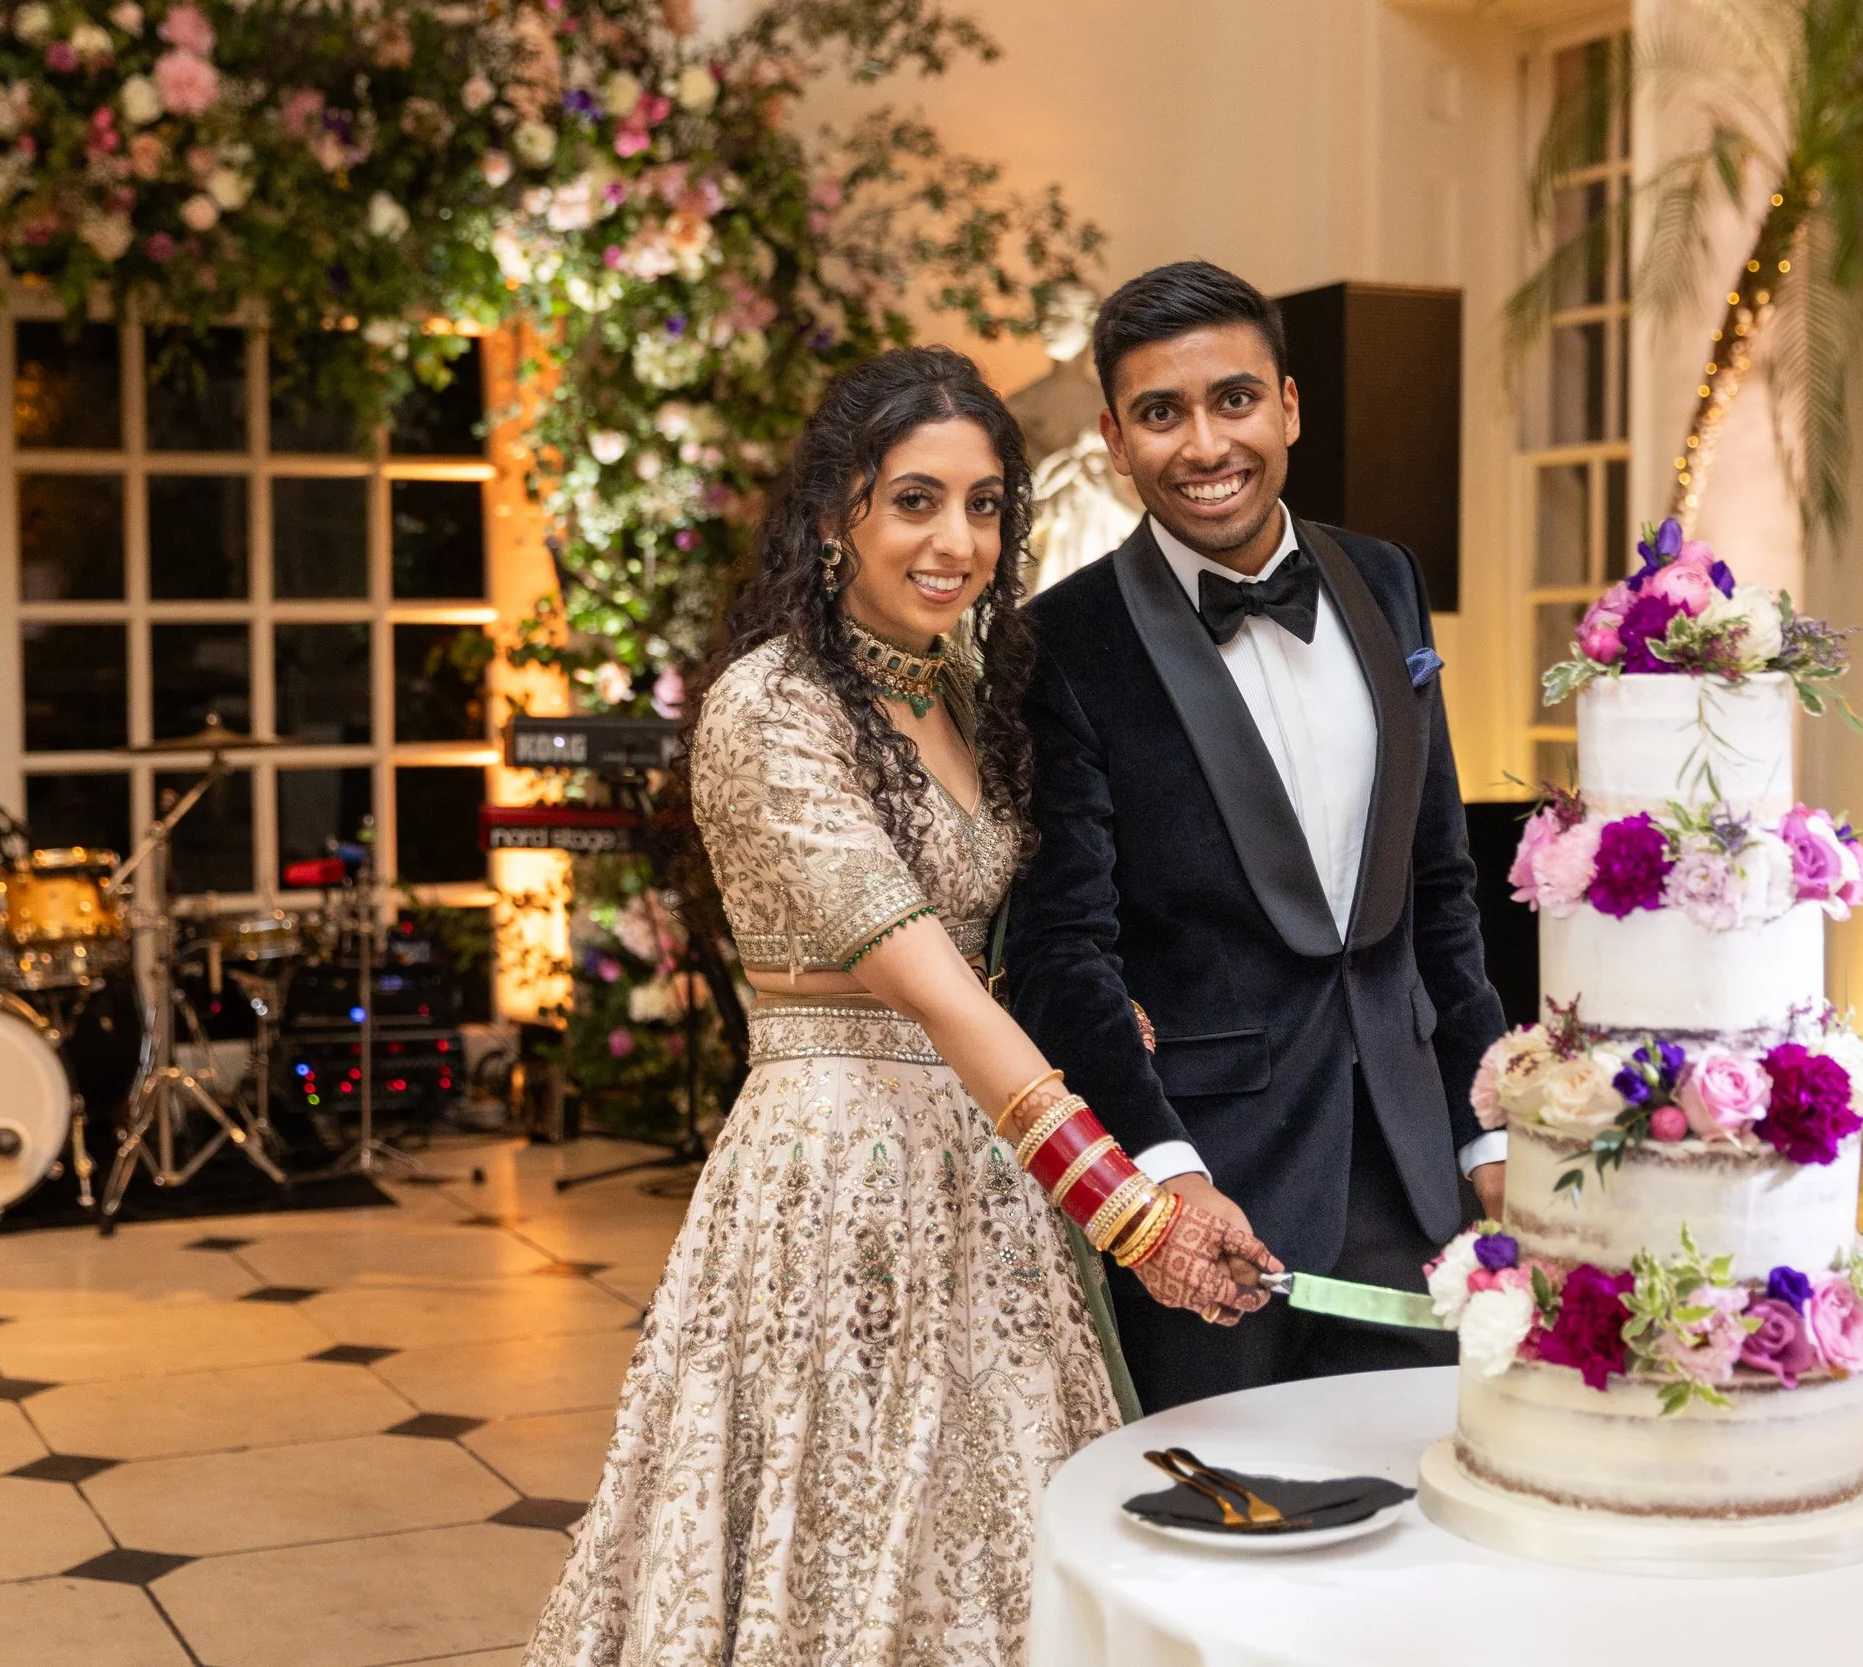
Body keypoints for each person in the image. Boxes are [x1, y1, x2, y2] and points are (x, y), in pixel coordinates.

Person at [524, 345, 1277, 1667]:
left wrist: (1111, 1030)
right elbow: (929, 982)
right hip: (841, 1175)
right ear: (835, 515)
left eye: (985, 503)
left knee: (998, 1537)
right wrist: (1127, 1208)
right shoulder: (772, 707)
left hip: (993, 1172)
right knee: (850, 1539)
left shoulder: (965, 692)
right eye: (915, 499)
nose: (957, 538)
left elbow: (1016, 945)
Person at [1005, 261, 1509, 1414]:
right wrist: (1165, 1175)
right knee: (1218, 1530)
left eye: (1232, 400)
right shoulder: (1062, 642)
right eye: (1160, 412)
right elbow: (1062, 947)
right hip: (1213, 1194)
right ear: (1115, 437)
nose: (1203, 443)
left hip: (1415, 1168)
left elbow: (1438, 881)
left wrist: (1485, 1132)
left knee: (1422, 1510)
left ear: (1287, 405)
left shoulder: (1384, 578)